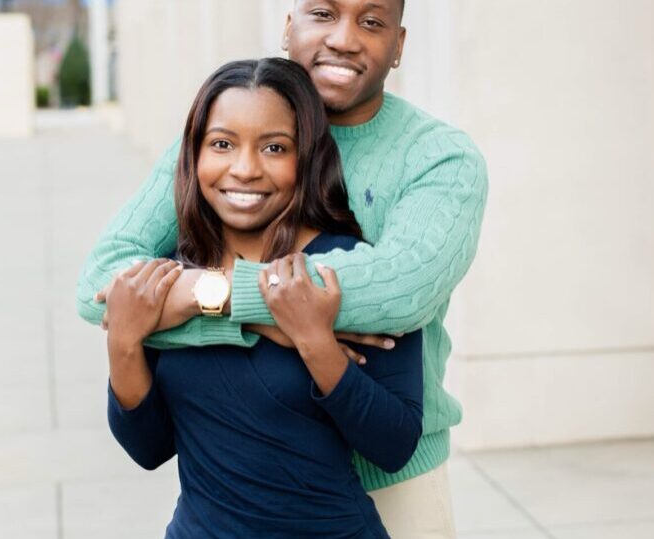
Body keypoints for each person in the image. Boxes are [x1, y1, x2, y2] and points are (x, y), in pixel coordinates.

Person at [78, 1, 487, 536]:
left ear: (400, 45)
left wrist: (213, 299)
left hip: (394, 481)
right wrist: (275, 320)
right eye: (323, 12)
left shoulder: (438, 158)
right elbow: (102, 288)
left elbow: (398, 293)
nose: (343, 39)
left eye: (371, 21)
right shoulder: (227, 134)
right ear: (288, 28)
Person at [106, 57, 423, 538]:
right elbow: (150, 450)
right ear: (194, 155)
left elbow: (394, 444)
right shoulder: (172, 275)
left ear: (308, 157)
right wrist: (124, 346)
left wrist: (315, 342)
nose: (245, 169)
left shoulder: (349, 269)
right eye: (222, 144)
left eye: (274, 147)